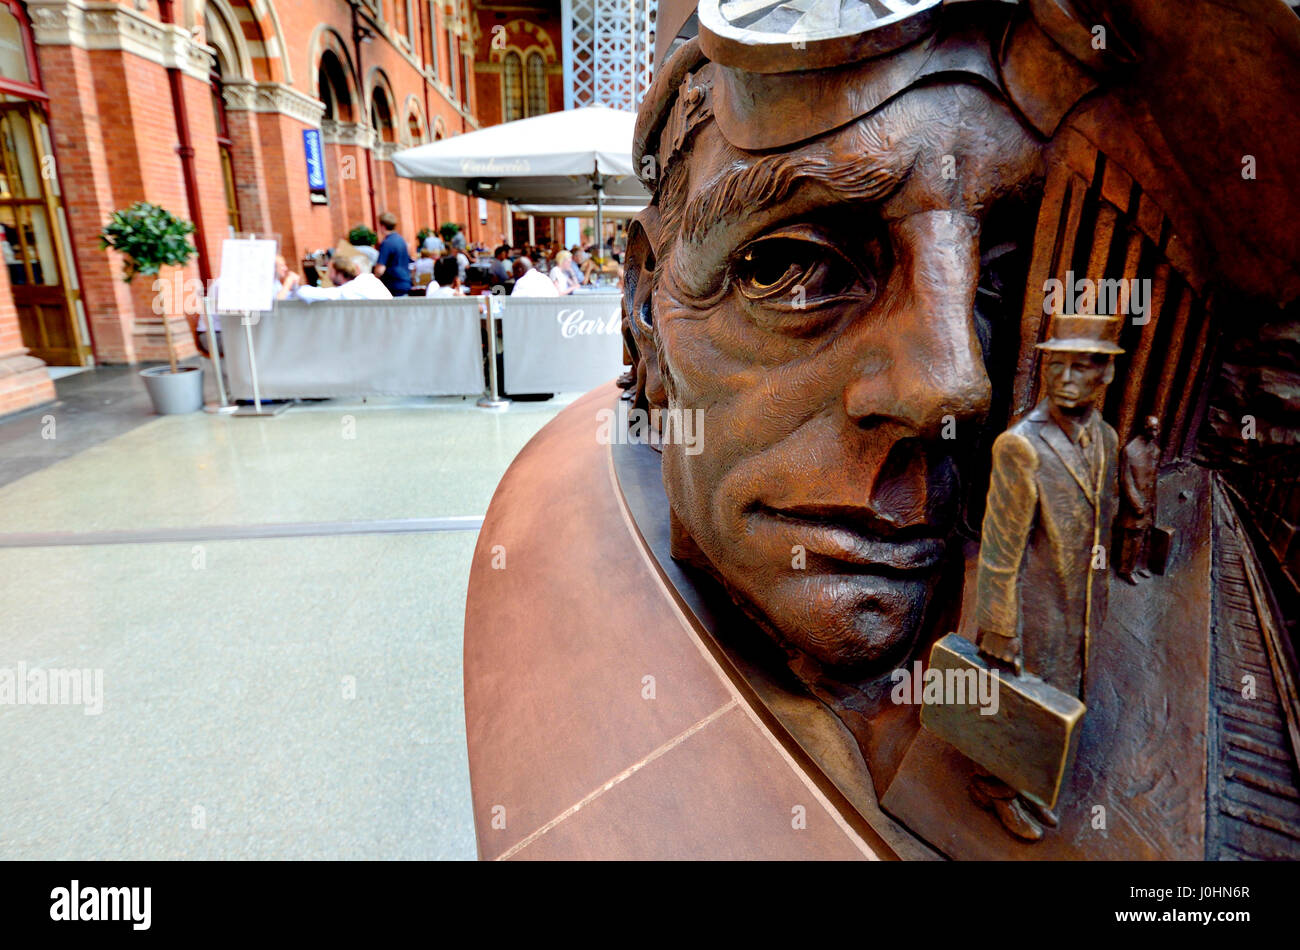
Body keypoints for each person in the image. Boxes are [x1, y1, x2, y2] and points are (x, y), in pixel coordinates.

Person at [972, 314, 1123, 841]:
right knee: (1015, 703)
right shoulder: (1021, 445)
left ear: (1105, 374)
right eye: (1056, 364)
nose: (1064, 378)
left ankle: (1030, 783)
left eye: (1081, 367)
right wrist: (998, 625)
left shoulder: (1105, 438)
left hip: (1077, 605)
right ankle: (995, 788)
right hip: (1031, 612)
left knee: (1056, 695)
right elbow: (998, 548)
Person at [1117, 416, 1162, 584]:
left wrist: (1153, 502)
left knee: (1147, 534)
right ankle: (1125, 569)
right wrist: (1136, 504)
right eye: (1152, 429)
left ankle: (1141, 565)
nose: (1155, 433)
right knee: (1133, 537)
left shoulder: (1155, 451)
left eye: (1157, 429)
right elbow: (1125, 480)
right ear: (1144, 427)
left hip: (1150, 500)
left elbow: (1154, 478)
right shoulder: (1130, 450)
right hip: (1135, 504)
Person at [292, 255, 392, 301]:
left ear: (338, 272)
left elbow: (304, 293)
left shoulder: (350, 290)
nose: (327, 276)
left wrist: (291, 283)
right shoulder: (371, 280)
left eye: (330, 271)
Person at [374, 212, 412, 297]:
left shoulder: (387, 243)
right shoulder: (401, 240)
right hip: (405, 281)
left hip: (393, 285)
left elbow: (380, 270)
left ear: (382, 226)